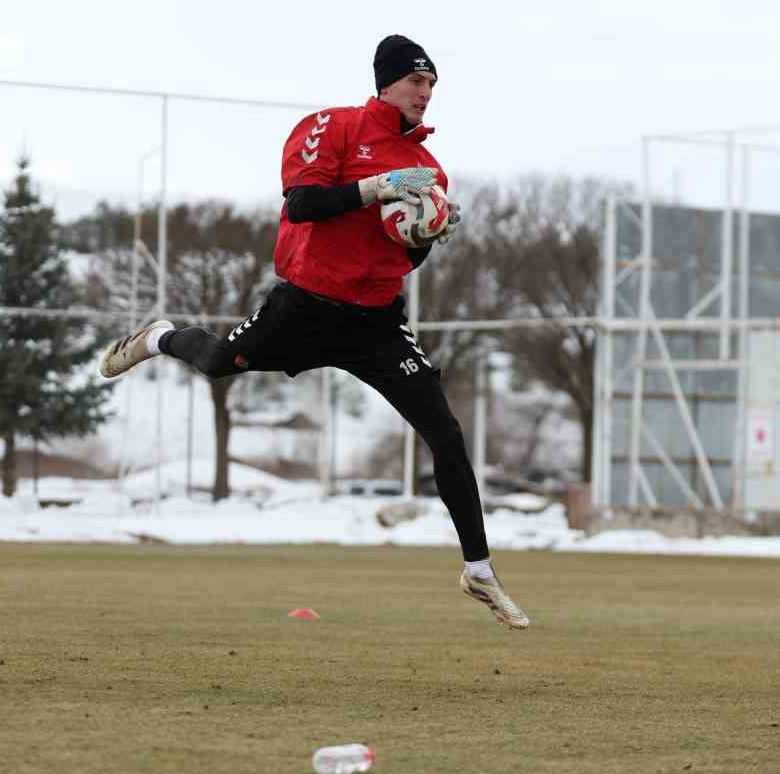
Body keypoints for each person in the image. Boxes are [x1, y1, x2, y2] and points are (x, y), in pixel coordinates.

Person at [100, 34, 529, 630]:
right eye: (416, 81)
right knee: (219, 363)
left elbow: (404, 259)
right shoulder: (334, 127)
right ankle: (158, 338)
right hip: (305, 307)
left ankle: (478, 569)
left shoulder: (430, 171)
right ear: (387, 82)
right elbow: (303, 204)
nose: (425, 92)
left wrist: (428, 236)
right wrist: (376, 187)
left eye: (432, 84)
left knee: (445, 433)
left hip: (376, 321)